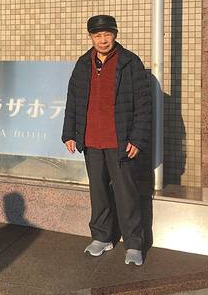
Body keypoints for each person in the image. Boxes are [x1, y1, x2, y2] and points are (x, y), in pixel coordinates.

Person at [62, 15, 151, 266]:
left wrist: (137, 138)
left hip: (120, 142)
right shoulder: (83, 64)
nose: (103, 40)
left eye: (107, 34)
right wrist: (69, 133)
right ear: (91, 37)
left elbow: (144, 105)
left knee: (126, 194)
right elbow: (73, 101)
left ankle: (134, 244)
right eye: (97, 35)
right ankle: (102, 237)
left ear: (115, 35)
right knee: (98, 192)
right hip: (91, 140)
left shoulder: (130, 62)